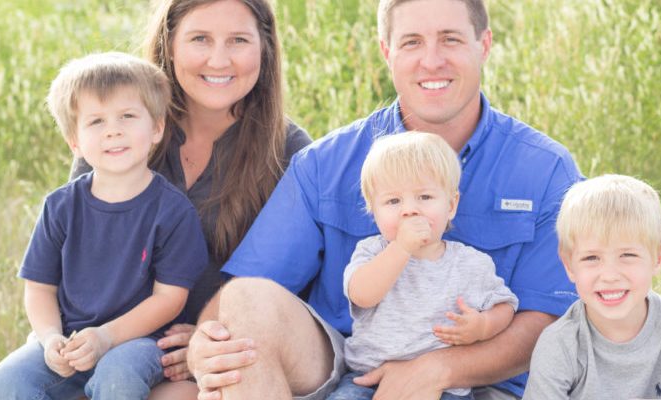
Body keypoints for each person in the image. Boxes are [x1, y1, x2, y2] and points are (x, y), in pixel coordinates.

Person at [187, 0, 585, 398]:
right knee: (243, 312)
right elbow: (247, 295)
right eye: (412, 42)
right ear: (386, 52)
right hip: (349, 367)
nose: (432, 61)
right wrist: (207, 341)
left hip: (480, 383)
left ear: (483, 45)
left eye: (450, 39)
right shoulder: (325, 164)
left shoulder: (545, 170)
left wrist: (439, 369)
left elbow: (553, 318)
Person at [69, 0, 311, 395]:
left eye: (238, 40)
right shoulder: (116, 131)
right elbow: (74, 254)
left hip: (222, 358)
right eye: (200, 39)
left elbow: (287, 294)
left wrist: (205, 337)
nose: (219, 60)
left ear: (264, 48)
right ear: (169, 44)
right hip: (109, 342)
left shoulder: (288, 152)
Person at [0, 52, 209, 399]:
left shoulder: (173, 212)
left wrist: (106, 336)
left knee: (118, 376)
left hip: (140, 341)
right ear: (74, 141)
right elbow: (39, 289)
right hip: (71, 338)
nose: (113, 131)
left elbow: (169, 299)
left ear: (156, 127)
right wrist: (50, 338)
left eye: (127, 116)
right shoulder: (60, 206)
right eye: (96, 122)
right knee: (9, 380)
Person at [329, 132, 519, 400]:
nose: (410, 210)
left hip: (443, 388)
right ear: (374, 211)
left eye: (425, 197)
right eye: (393, 201)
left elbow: (504, 305)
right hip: (368, 378)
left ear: (451, 205)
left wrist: (483, 325)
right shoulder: (372, 252)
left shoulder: (469, 262)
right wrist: (401, 248)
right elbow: (362, 294)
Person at [523, 175, 661, 400]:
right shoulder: (559, 344)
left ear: (657, 257)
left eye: (627, 255)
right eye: (592, 258)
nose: (609, 276)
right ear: (569, 265)